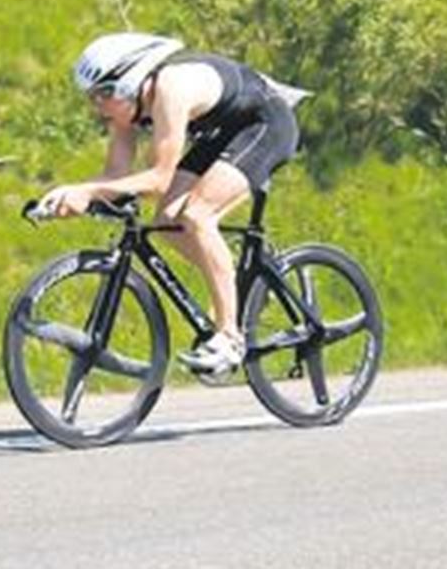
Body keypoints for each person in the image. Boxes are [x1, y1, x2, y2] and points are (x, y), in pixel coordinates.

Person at [38, 33, 305, 376]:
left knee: (197, 216)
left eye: (103, 94)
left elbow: (159, 180)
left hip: (265, 124)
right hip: (223, 131)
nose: (97, 106)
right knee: (166, 221)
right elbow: (116, 175)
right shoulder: (126, 108)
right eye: (91, 97)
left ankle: (230, 338)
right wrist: (67, 199)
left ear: (130, 81)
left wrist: (87, 192)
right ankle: (238, 282)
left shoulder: (171, 88)